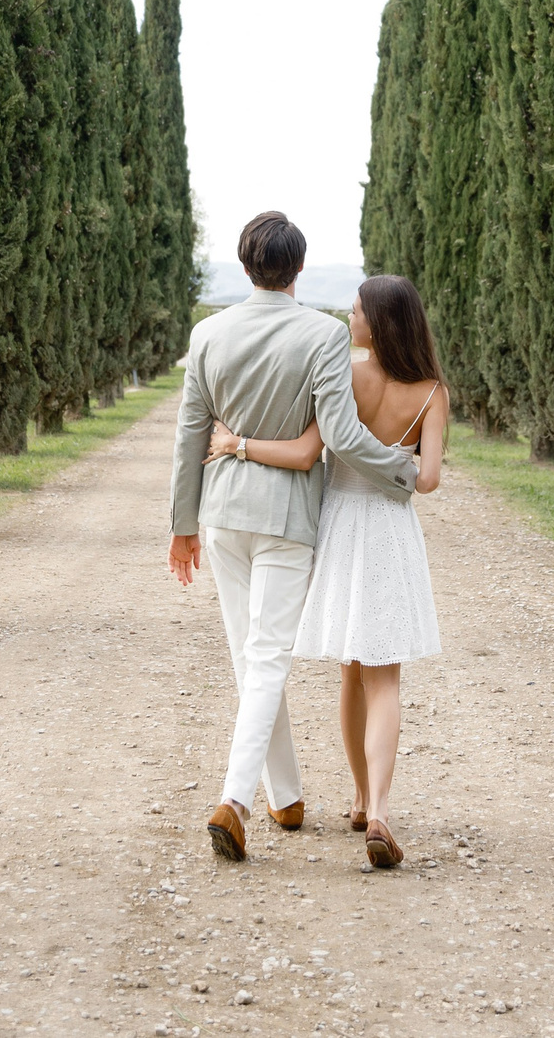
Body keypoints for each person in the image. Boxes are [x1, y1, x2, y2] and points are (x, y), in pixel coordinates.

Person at [167, 213, 422, 865]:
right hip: (286, 524)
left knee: (251, 657)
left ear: (245, 264)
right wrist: (402, 467)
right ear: (299, 268)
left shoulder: (207, 333)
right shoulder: (322, 334)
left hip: (222, 517)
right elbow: (339, 433)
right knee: (266, 657)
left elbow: (189, 436)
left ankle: (285, 793)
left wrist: (182, 526)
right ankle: (237, 799)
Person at [208, 274, 445, 870]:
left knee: (351, 672)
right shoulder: (432, 393)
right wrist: (395, 468)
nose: (350, 314)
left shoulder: (348, 374)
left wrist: (237, 444)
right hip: (391, 530)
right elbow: (430, 478)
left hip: (340, 528)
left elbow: (307, 451)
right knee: (386, 675)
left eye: (359, 308)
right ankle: (383, 810)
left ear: (378, 322)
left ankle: (361, 800)